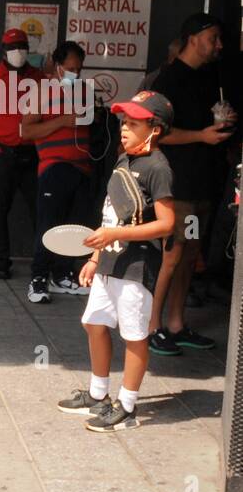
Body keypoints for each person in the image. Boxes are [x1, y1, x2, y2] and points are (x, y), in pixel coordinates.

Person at [57, 91, 176, 431]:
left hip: (137, 268)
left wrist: (115, 237)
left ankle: (126, 406)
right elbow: (111, 215)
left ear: (155, 129)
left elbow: (167, 224)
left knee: (134, 336)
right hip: (109, 263)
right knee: (93, 324)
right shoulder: (124, 160)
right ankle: (98, 395)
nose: (124, 129)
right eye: (124, 122)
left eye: (134, 124)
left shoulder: (158, 168)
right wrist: (96, 256)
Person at [148, 13, 236, 355]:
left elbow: (212, 119)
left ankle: (176, 324)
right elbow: (157, 133)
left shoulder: (210, 76)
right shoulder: (168, 80)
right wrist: (202, 135)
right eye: (213, 37)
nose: (219, 45)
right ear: (193, 37)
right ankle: (152, 326)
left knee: (190, 255)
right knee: (171, 256)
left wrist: (223, 120)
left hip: (202, 187)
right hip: (177, 187)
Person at [19, 41, 94, 303]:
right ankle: (38, 278)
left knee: (75, 226)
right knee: (49, 225)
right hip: (54, 166)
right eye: (70, 68)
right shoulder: (41, 91)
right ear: (57, 66)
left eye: (79, 69)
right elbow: (25, 130)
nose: (75, 73)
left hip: (82, 166)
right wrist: (63, 120)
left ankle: (63, 275)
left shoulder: (85, 91)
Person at [0, 27, 44, 279]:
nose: (18, 52)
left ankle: (43, 262)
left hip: (31, 153)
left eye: (22, 47)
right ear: (3, 51)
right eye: (12, 48)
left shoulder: (40, 79)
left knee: (41, 209)